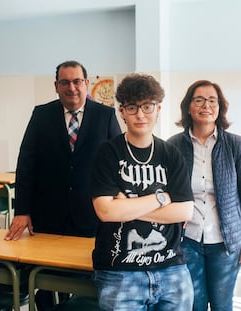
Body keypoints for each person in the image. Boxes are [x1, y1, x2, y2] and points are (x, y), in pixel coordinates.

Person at [4, 60, 121, 310]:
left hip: (92, 217)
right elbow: (26, 163)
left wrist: (118, 209)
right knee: (47, 283)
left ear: (86, 84)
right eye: (65, 82)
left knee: (86, 285)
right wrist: (22, 211)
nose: (72, 88)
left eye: (77, 81)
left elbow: (118, 166)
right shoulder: (41, 114)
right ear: (56, 86)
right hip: (48, 216)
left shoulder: (106, 115)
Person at [90, 73, 194, 310]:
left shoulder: (171, 154)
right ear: (122, 111)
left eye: (147, 106)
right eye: (132, 107)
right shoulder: (108, 154)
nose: (140, 114)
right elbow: (106, 211)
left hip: (172, 269)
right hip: (120, 272)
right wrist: (161, 198)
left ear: (158, 109)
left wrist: (127, 209)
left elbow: (185, 210)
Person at [167, 80, 241, 311]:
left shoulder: (236, 145)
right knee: (194, 304)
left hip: (225, 242)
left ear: (220, 108)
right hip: (187, 240)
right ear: (188, 106)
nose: (206, 105)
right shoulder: (173, 146)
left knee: (221, 304)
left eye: (212, 100)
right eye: (198, 99)